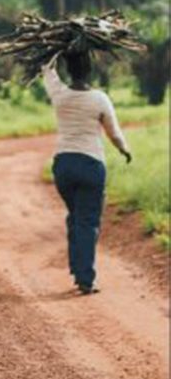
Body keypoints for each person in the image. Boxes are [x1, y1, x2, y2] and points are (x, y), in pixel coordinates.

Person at [43, 50, 132, 295]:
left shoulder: (59, 94)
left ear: (69, 70)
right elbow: (113, 133)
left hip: (63, 166)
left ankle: (76, 268)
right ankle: (85, 278)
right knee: (87, 221)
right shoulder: (99, 99)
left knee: (75, 216)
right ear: (89, 70)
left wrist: (56, 50)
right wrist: (125, 150)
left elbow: (47, 71)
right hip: (91, 165)